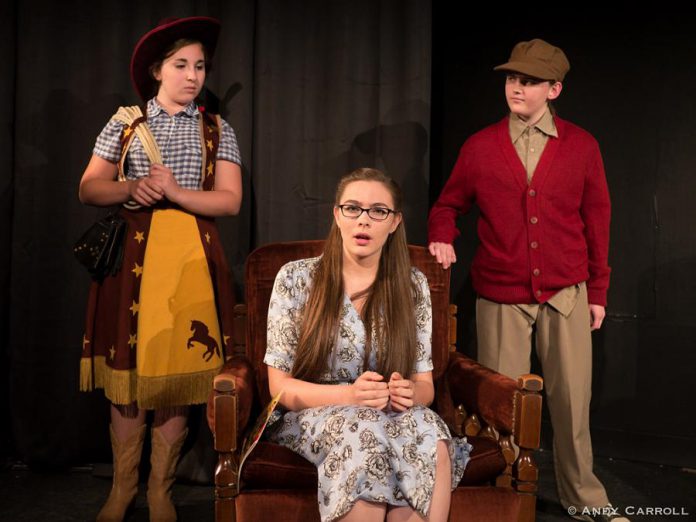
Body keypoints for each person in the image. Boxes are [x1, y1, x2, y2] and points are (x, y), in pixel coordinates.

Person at [427, 39, 627, 522]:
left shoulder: (582, 146)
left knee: (572, 402)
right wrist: (441, 236)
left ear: (554, 89)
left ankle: (586, 500)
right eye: (512, 78)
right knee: (502, 405)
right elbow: (447, 205)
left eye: (529, 81)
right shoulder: (480, 147)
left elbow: (598, 220)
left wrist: (597, 291)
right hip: (500, 295)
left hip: (566, 292)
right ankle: (504, 493)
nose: (516, 87)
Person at [78, 17, 242, 522]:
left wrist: (174, 193)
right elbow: (89, 188)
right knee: (129, 374)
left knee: (178, 375)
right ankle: (122, 488)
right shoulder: (125, 123)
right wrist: (130, 188)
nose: (192, 75)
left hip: (191, 260)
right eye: (180, 65)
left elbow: (230, 200)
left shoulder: (216, 128)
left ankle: (159, 491)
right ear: (156, 70)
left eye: (199, 66)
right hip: (133, 263)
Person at [263, 168, 471, 522]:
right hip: (315, 413)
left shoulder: (412, 284)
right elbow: (279, 388)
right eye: (353, 208)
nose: (364, 220)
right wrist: (351, 397)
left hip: (390, 412)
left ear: (394, 222)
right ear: (336, 215)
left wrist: (409, 394)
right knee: (362, 431)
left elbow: (425, 387)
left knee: (430, 431)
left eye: (378, 211)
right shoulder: (296, 278)